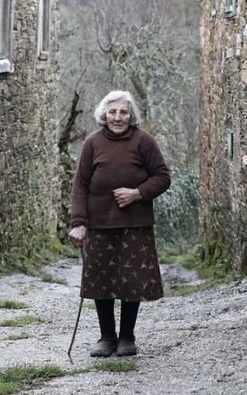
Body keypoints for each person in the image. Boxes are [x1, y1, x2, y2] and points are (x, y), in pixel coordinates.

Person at [68, 90, 171, 358]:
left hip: (135, 224)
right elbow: (80, 184)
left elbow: (162, 177)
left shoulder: (143, 141)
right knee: (101, 281)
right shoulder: (92, 143)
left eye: (123, 112)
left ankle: (127, 337)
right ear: (104, 114)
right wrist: (79, 223)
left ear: (130, 115)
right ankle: (106, 338)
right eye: (112, 112)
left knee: (131, 281)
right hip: (99, 225)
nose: (117, 117)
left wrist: (137, 193)